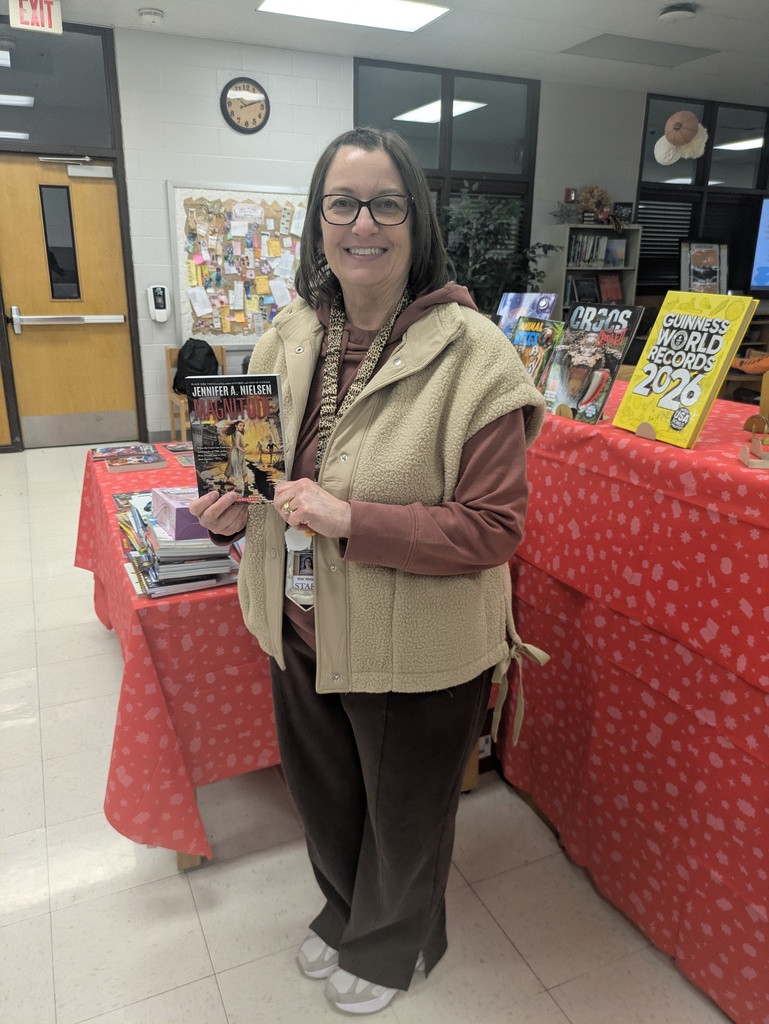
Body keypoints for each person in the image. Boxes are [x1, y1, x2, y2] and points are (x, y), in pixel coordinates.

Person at [190, 126, 545, 1016]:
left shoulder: (476, 355)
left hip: (415, 647)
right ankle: (349, 910)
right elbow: (258, 473)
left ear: (416, 222)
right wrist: (234, 516)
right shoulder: (288, 333)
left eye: (387, 204)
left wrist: (352, 519)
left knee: (406, 816)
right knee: (326, 797)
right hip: (299, 621)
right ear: (318, 224)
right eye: (341, 203)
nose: (363, 224)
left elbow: (492, 528)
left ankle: (396, 944)